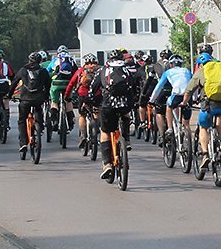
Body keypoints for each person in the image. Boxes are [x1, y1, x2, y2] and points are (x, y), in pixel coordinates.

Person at [181, 53, 221, 169]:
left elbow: (189, 91)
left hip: (209, 106)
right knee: (219, 116)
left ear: (200, 64)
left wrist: (184, 103)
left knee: (203, 127)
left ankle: (205, 154)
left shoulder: (202, 71)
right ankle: (220, 140)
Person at [91, 49, 139, 179]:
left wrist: (95, 103)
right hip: (125, 104)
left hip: (108, 105)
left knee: (105, 132)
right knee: (126, 114)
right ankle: (126, 140)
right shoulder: (127, 69)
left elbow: (92, 89)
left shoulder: (103, 70)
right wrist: (133, 100)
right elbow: (135, 87)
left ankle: (107, 164)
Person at [7, 52, 51, 154]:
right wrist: (46, 95)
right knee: (39, 110)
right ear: (40, 61)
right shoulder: (43, 71)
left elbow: (14, 83)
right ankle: (39, 127)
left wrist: (9, 95)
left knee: (22, 120)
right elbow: (48, 84)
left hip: (25, 99)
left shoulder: (23, 70)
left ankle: (23, 143)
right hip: (38, 98)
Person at [149, 54, 192, 140]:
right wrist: (194, 98)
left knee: (169, 106)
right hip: (188, 96)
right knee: (186, 123)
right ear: (181, 64)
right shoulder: (187, 71)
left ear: (171, 65)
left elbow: (158, 87)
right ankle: (188, 140)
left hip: (176, 95)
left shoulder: (168, 72)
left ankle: (169, 128)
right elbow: (193, 85)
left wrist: (152, 100)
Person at [64, 53, 102, 149]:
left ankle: (83, 136)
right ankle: (96, 129)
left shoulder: (80, 71)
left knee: (82, 115)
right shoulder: (100, 71)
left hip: (83, 95)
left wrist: (67, 95)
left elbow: (71, 84)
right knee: (97, 112)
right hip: (96, 95)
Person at [46, 45, 79, 134]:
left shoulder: (55, 60)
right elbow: (76, 72)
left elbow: (47, 71)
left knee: (54, 102)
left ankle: (55, 121)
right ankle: (70, 121)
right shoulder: (71, 59)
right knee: (68, 101)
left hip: (56, 83)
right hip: (68, 83)